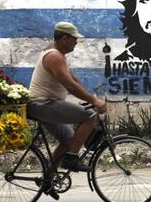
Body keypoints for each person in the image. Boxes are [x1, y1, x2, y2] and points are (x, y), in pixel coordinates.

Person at [28, 21, 107, 174]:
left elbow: (73, 80)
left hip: (44, 104)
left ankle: (47, 180)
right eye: (74, 39)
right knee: (90, 116)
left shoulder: (57, 54)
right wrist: (95, 101)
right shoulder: (54, 57)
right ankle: (71, 159)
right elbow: (69, 86)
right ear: (65, 38)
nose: (76, 42)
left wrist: (90, 97)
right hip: (43, 104)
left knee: (69, 140)